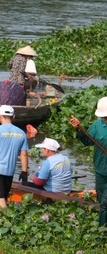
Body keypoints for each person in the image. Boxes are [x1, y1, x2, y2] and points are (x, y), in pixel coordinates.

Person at [69, 96, 107, 225]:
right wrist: (79, 129)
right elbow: (87, 141)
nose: (105, 120)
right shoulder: (97, 125)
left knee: (105, 204)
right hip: (100, 170)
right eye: (104, 117)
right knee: (101, 200)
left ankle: (102, 231)